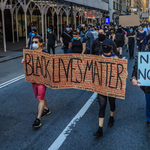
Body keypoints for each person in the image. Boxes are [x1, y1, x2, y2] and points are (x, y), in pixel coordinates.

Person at [22, 36, 51, 128]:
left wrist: (48, 80)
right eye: (33, 42)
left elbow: (49, 67)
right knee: (39, 97)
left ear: (41, 43)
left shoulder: (45, 53)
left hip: (42, 81)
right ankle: (46, 109)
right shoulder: (30, 54)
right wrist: (24, 61)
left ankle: (38, 119)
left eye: (36, 42)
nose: (34, 44)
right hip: (34, 80)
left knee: (40, 99)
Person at [93, 39, 118, 138]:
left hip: (112, 86)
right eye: (104, 46)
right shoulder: (99, 58)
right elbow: (93, 72)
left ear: (111, 47)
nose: (105, 48)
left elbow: (121, 72)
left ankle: (111, 117)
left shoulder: (115, 58)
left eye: (107, 46)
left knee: (112, 103)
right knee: (102, 106)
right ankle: (100, 129)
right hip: (102, 86)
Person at [131, 50, 150, 127]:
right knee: (149, 104)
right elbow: (136, 68)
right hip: (148, 87)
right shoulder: (144, 55)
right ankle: (149, 119)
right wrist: (133, 78)